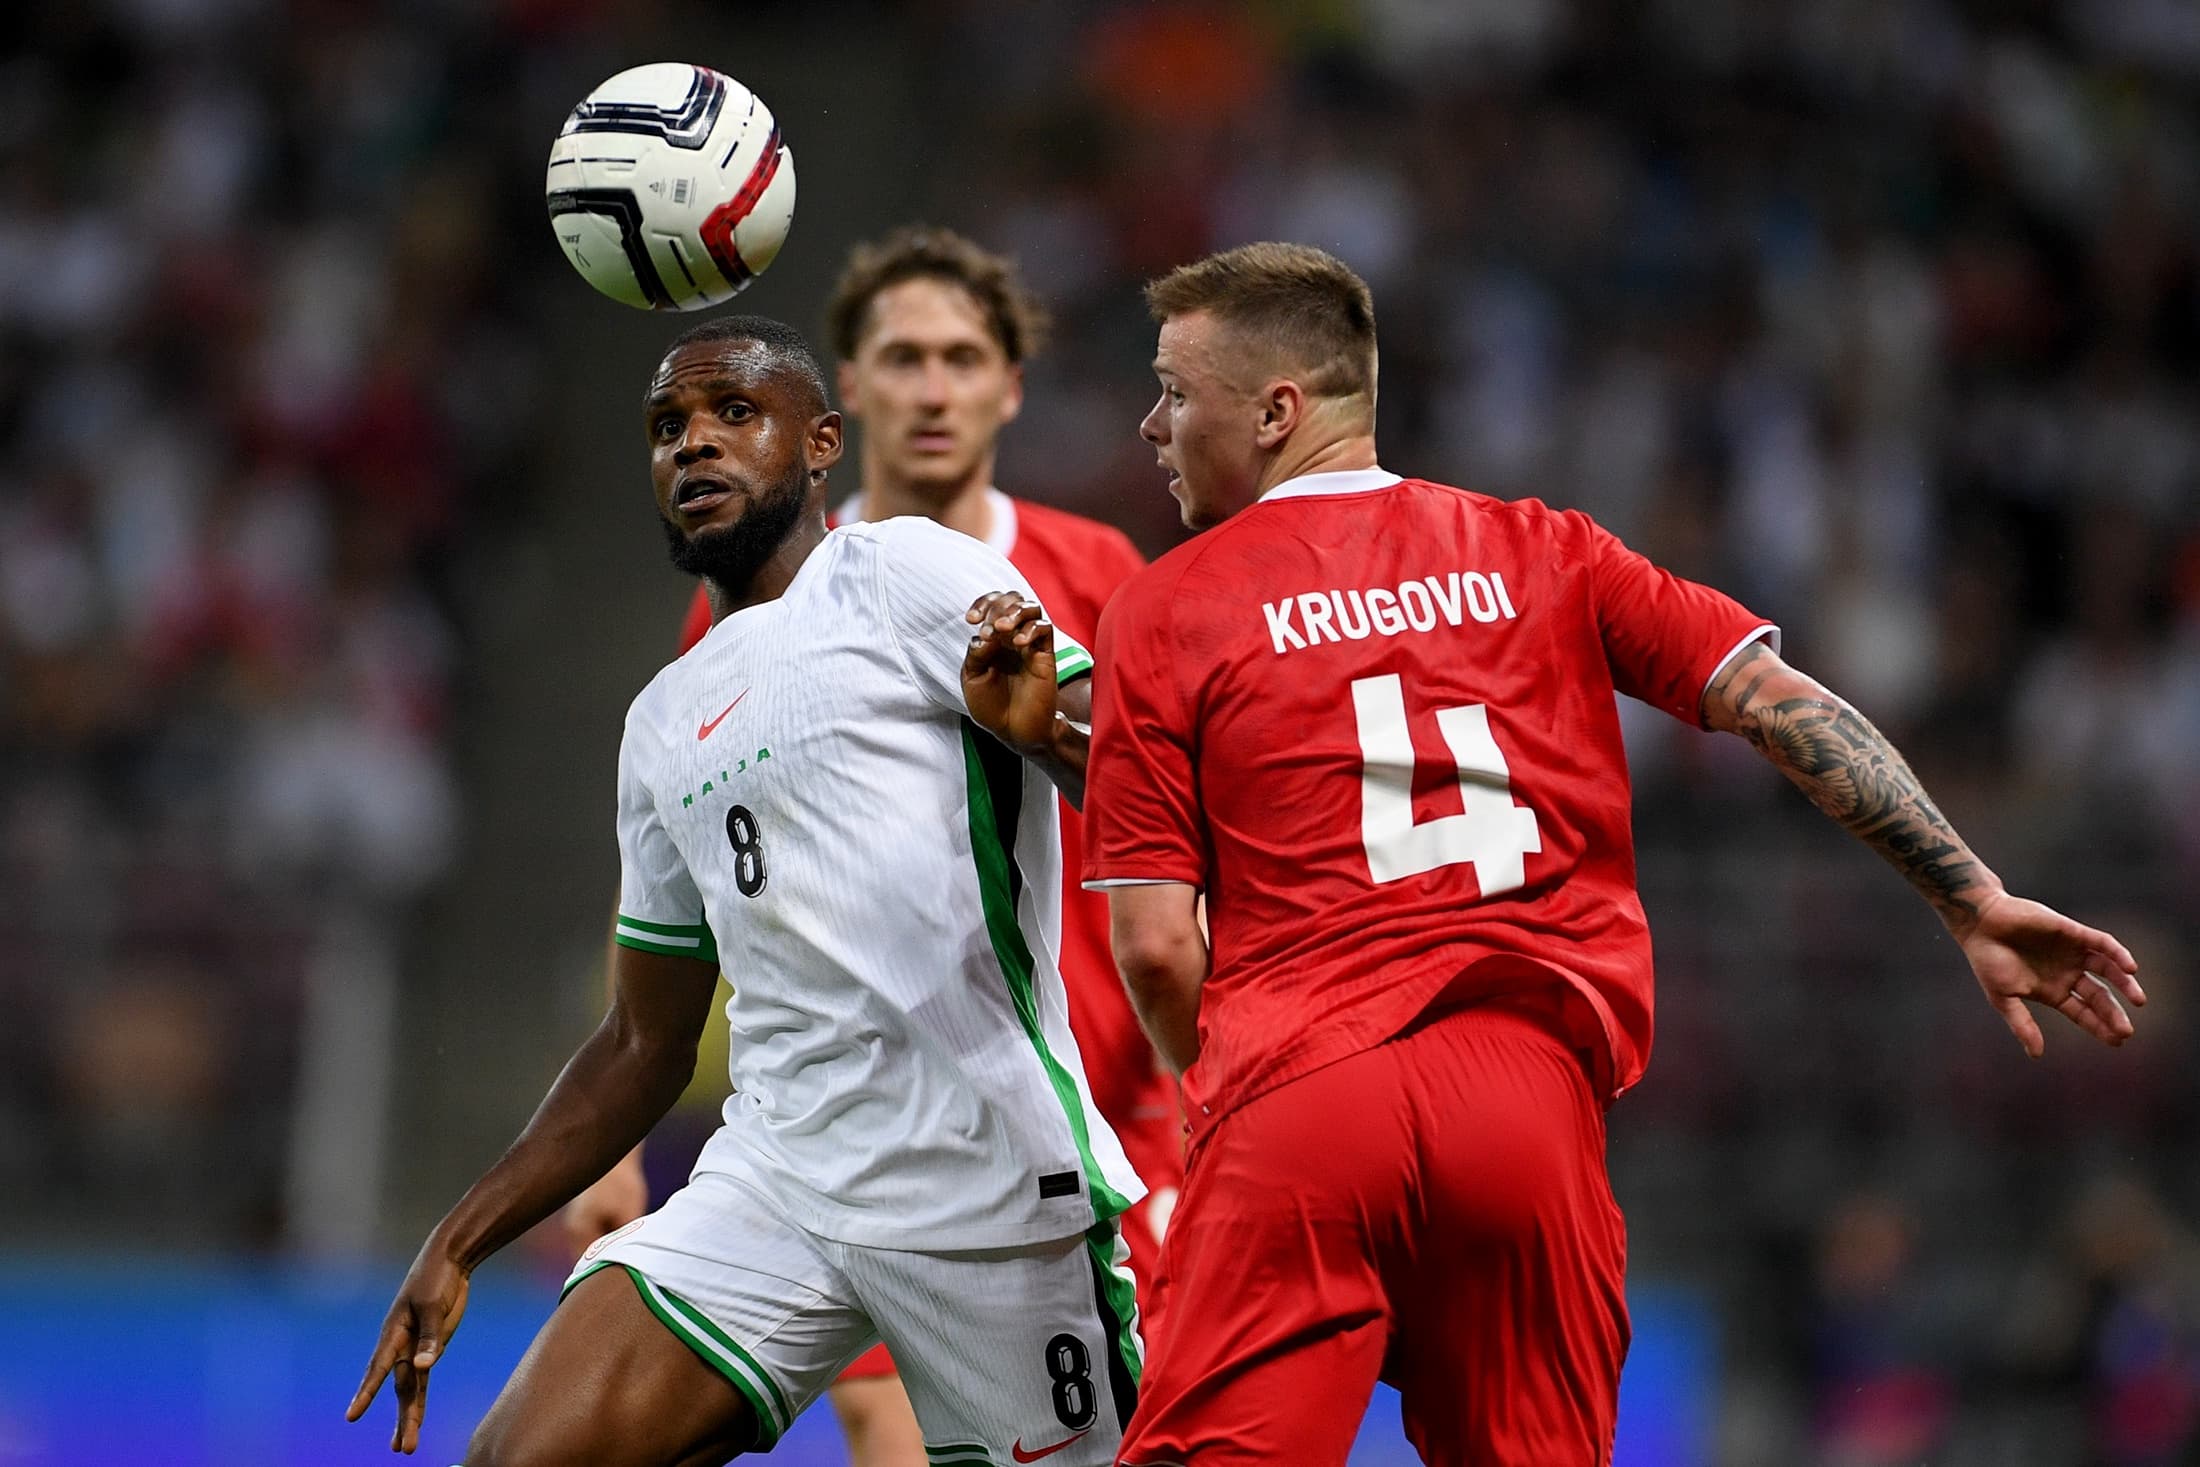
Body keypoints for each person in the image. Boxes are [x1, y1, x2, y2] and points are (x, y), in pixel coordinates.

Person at [1062, 242, 2143, 1466]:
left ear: (1274, 412)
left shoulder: (1163, 607)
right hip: (1524, 1101)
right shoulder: (1543, 550)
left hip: (1299, 1094)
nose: (1151, 425)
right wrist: (1969, 895)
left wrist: (1224, 1098)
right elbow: (1775, 703)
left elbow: (1156, 947)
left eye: (1174, 392)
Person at [348, 315, 1144, 1467]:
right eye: (666, 426)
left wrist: (1045, 737)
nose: (693, 445)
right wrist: (461, 1238)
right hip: (781, 1179)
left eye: (734, 413)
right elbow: (642, 1042)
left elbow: (1130, 763)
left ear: (822, 444)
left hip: (986, 1178)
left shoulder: (902, 571)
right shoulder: (661, 722)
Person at [563, 228, 1179, 1465]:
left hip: (1092, 1113)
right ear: (845, 395)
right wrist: (615, 1142)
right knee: (877, 1419)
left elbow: (1164, 802)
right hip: (863, 1144)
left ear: (1010, 388)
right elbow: (705, 888)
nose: (933, 389)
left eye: (962, 358)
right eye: (903, 358)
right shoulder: (739, 609)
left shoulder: (1091, 569)